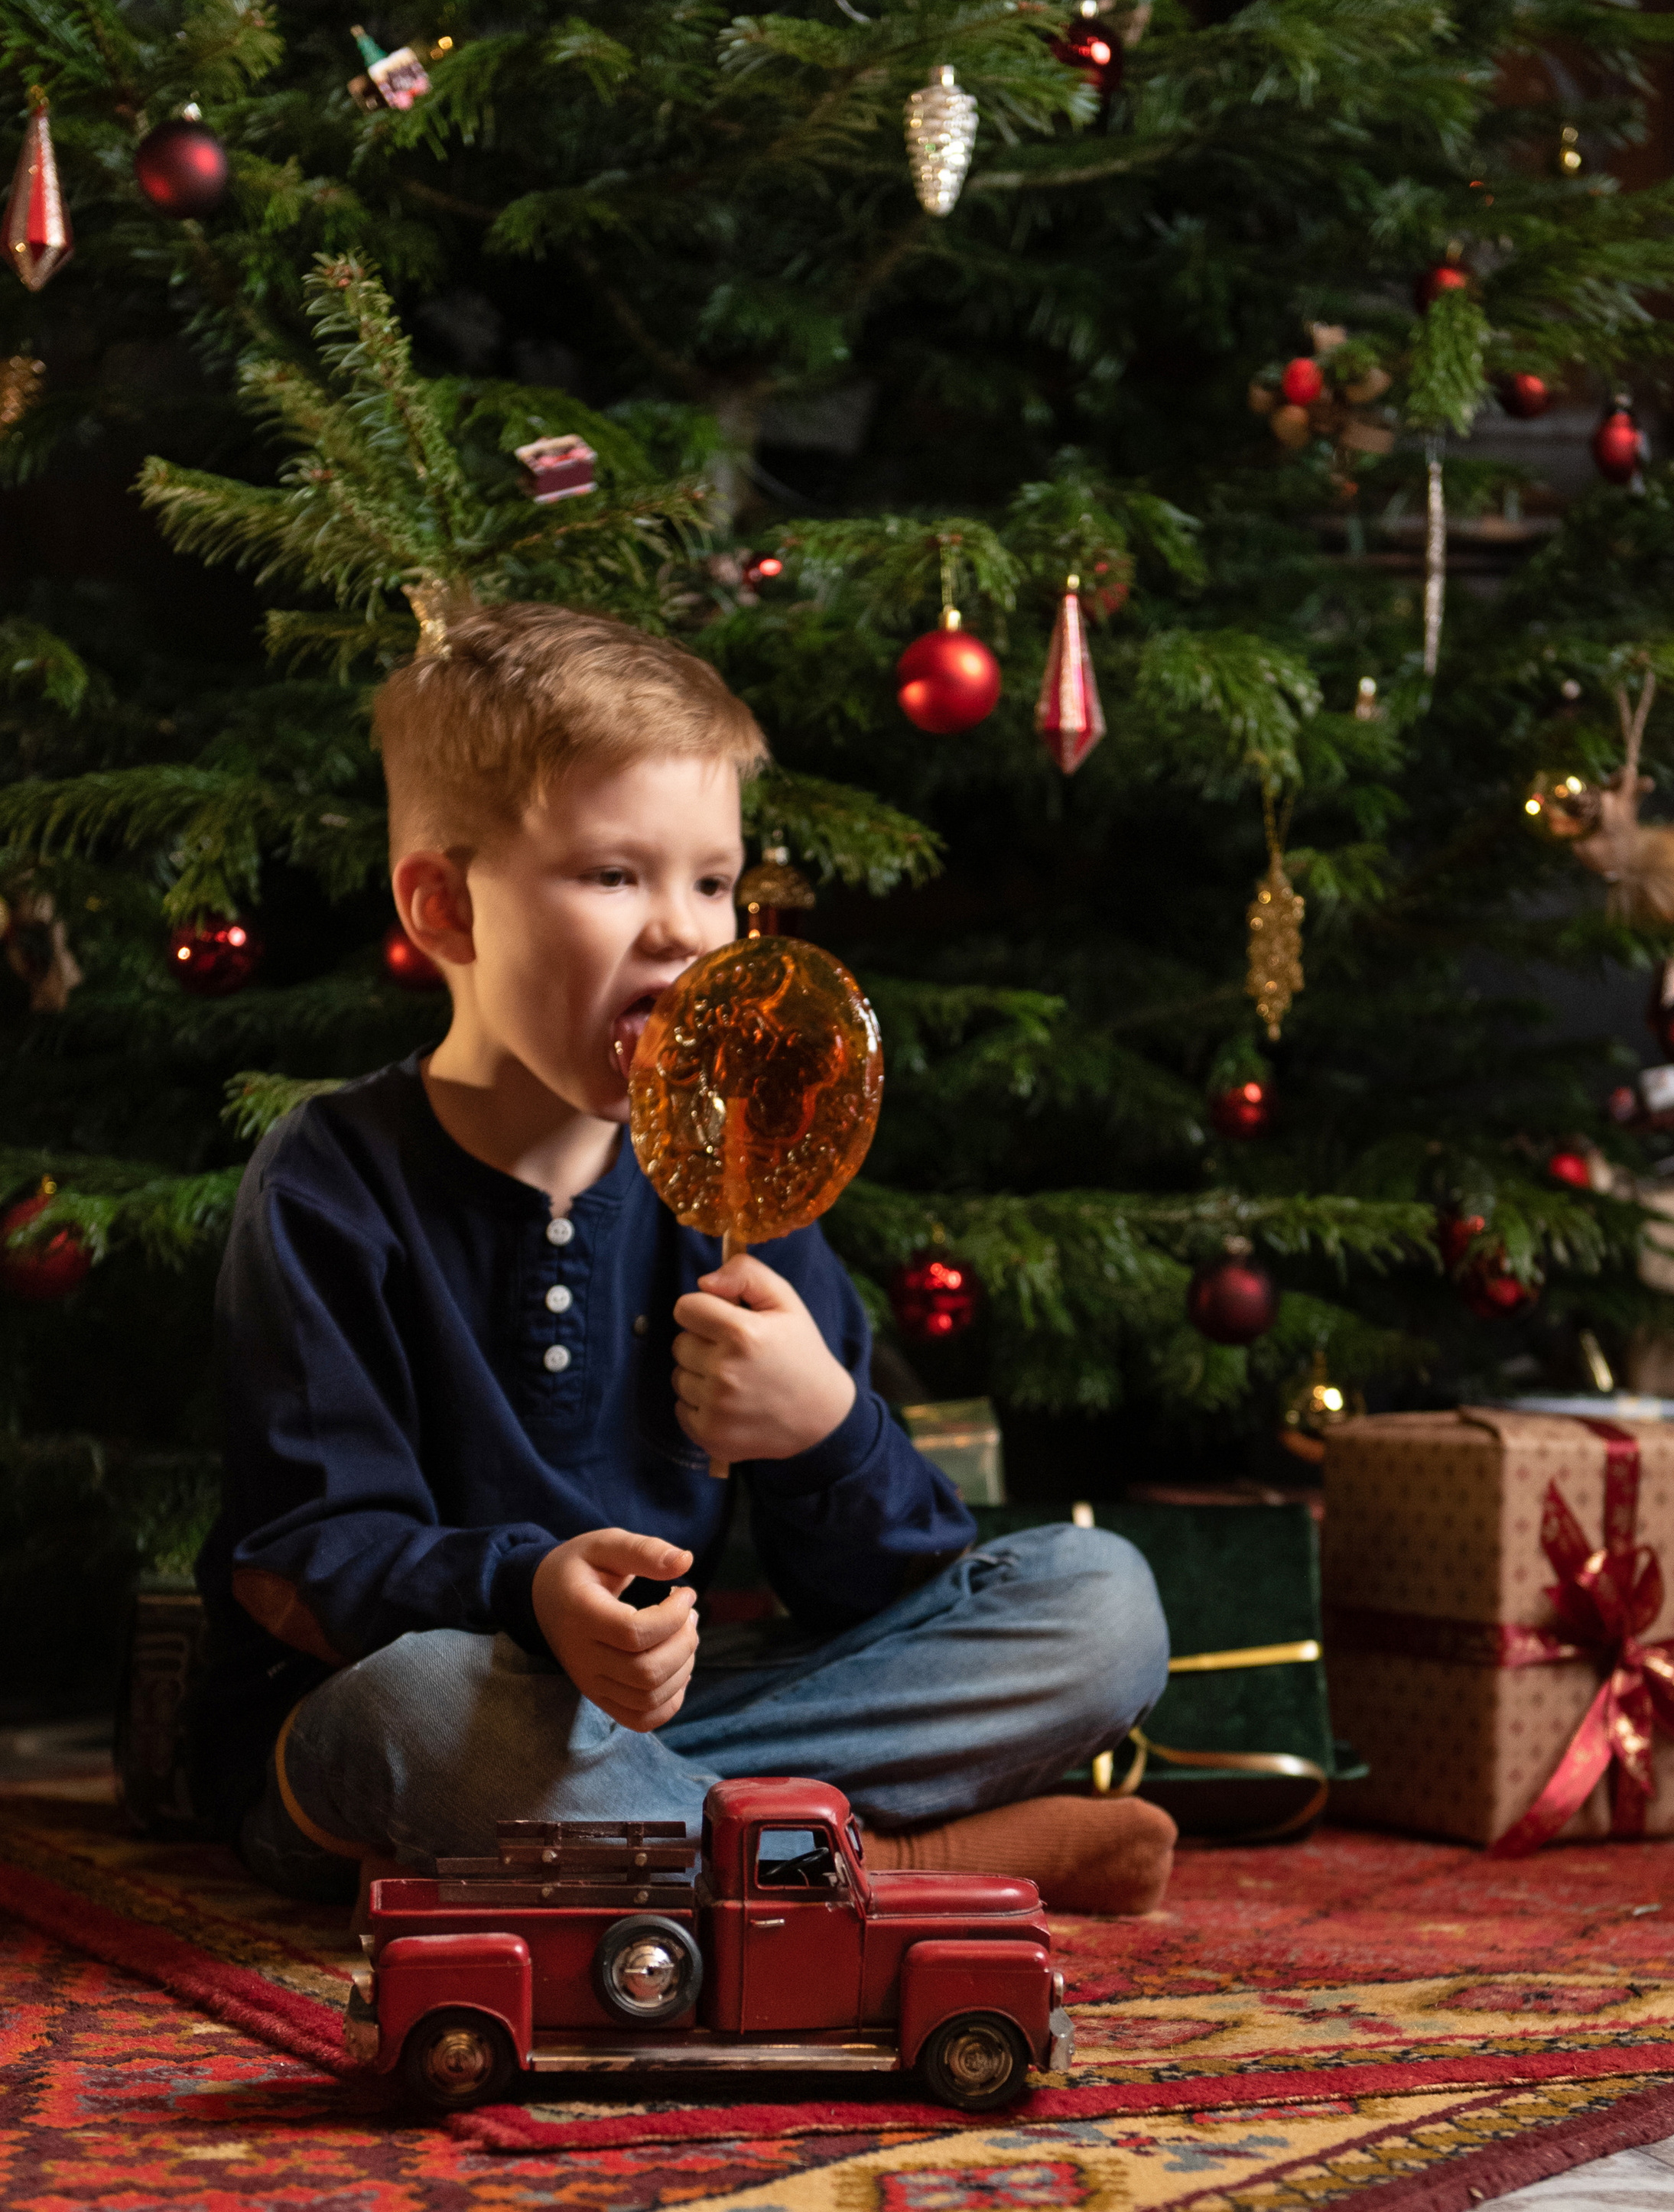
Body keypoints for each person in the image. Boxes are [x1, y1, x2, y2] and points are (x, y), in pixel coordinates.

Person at [194, 603, 1175, 1918]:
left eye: (712, 881)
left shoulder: (732, 1174)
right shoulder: (329, 1180)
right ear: (444, 908)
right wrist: (531, 1591)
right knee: (433, 1716)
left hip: (669, 1710)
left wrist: (822, 1425)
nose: (685, 934)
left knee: (1104, 1603)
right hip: (423, 1703)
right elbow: (301, 1560)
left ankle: (604, 1848)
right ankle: (885, 1870)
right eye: (614, 876)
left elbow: (876, 1586)